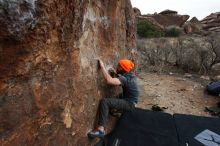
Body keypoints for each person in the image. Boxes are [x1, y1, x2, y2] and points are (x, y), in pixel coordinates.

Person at [88, 59, 139, 138]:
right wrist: (116, 74)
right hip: (129, 99)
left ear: (122, 68)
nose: (117, 66)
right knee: (117, 97)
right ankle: (115, 111)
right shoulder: (130, 75)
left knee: (105, 102)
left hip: (129, 103)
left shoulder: (125, 79)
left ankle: (100, 130)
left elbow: (109, 81)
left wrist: (102, 67)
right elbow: (122, 79)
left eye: (119, 66)